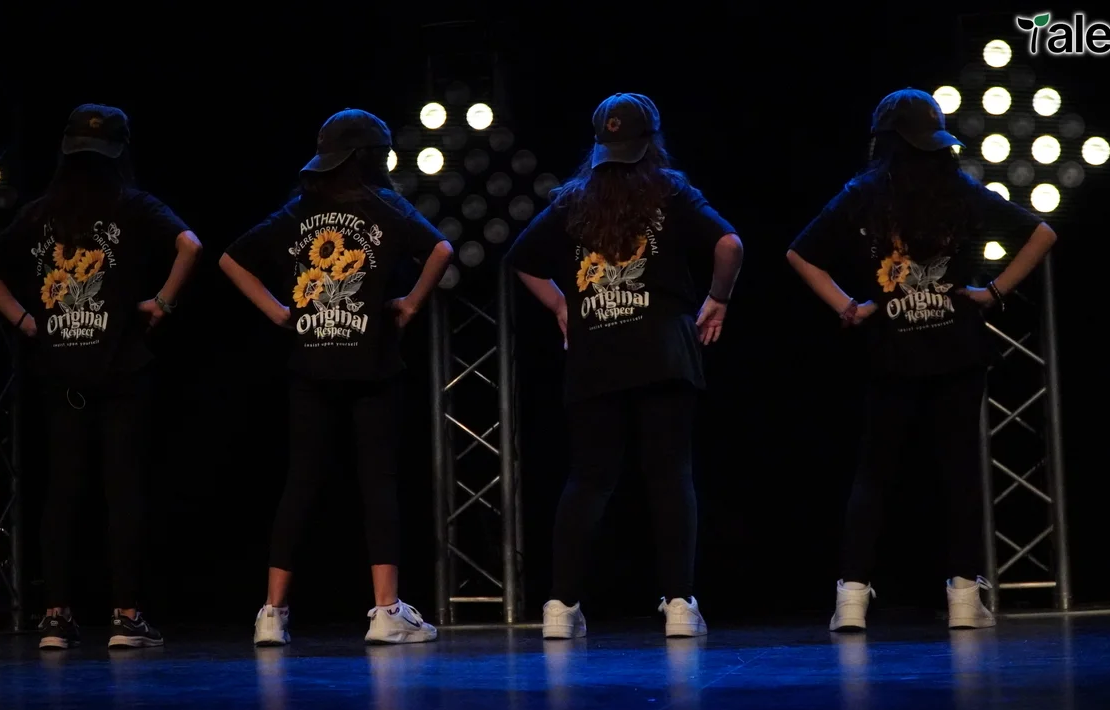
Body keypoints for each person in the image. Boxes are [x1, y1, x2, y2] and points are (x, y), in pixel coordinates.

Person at [786, 88, 1058, 632]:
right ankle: (963, 596)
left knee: (874, 474)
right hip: (957, 348)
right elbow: (1043, 233)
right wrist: (993, 293)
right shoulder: (958, 188)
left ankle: (852, 597)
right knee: (959, 473)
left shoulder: (863, 192)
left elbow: (799, 253)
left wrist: (849, 307)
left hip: (889, 350)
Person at [505, 93, 744, 639]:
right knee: (670, 476)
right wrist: (718, 299)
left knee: (588, 479)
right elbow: (729, 244)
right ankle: (679, 604)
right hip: (664, 352)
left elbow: (520, 258)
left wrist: (563, 305)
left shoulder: (572, 200)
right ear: (651, 142)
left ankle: (560, 607)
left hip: (596, 358)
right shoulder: (670, 190)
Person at [0, 104, 203, 649]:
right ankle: (126, 616)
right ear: (119, 153)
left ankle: (55, 617)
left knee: (62, 493)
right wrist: (163, 304)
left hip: (59, 370)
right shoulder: (133, 204)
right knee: (122, 491)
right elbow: (191, 245)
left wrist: (23, 319)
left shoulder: (41, 212)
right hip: (121, 366)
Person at [220, 109, 454, 646]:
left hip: (311, 364)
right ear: (371, 157)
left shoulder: (299, 210)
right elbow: (441, 249)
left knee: (300, 483)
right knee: (379, 483)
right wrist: (411, 304)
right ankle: (386, 611)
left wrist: (278, 312)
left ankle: (272, 613)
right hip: (372, 362)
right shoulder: (385, 206)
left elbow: (231, 259)